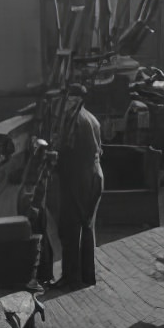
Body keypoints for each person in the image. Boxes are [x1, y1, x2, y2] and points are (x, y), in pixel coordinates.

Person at [54, 84, 104, 288]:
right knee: (87, 226)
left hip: (79, 178)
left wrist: (53, 160)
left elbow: (69, 153)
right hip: (94, 175)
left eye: (67, 98)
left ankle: (71, 278)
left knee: (70, 228)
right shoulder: (91, 118)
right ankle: (87, 276)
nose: (65, 103)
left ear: (73, 99)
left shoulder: (75, 120)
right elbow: (99, 150)